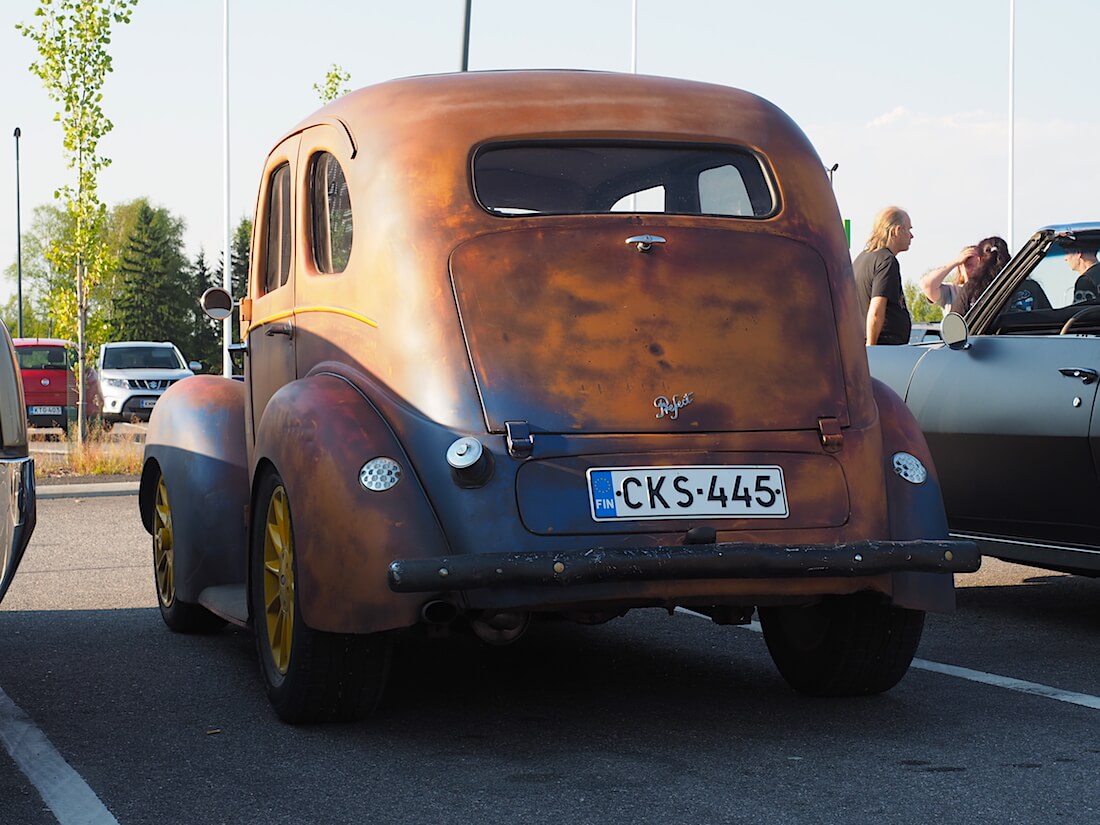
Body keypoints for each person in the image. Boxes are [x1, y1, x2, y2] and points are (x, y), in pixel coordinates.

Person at [854, 207, 913, 345]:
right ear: (896, 231)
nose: (911, 236)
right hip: (884, 347)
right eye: (909, 230)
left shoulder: (861, 259)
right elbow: (876, 310)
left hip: (861, 344)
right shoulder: (887, 261)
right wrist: (872, 348)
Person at [920, 236, 1011, 315]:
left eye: (979, 264)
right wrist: (955, 262)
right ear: (960, 269)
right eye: (969, 265)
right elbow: (927, 285)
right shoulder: (951, 292)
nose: (975, 269)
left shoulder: (993, 288)